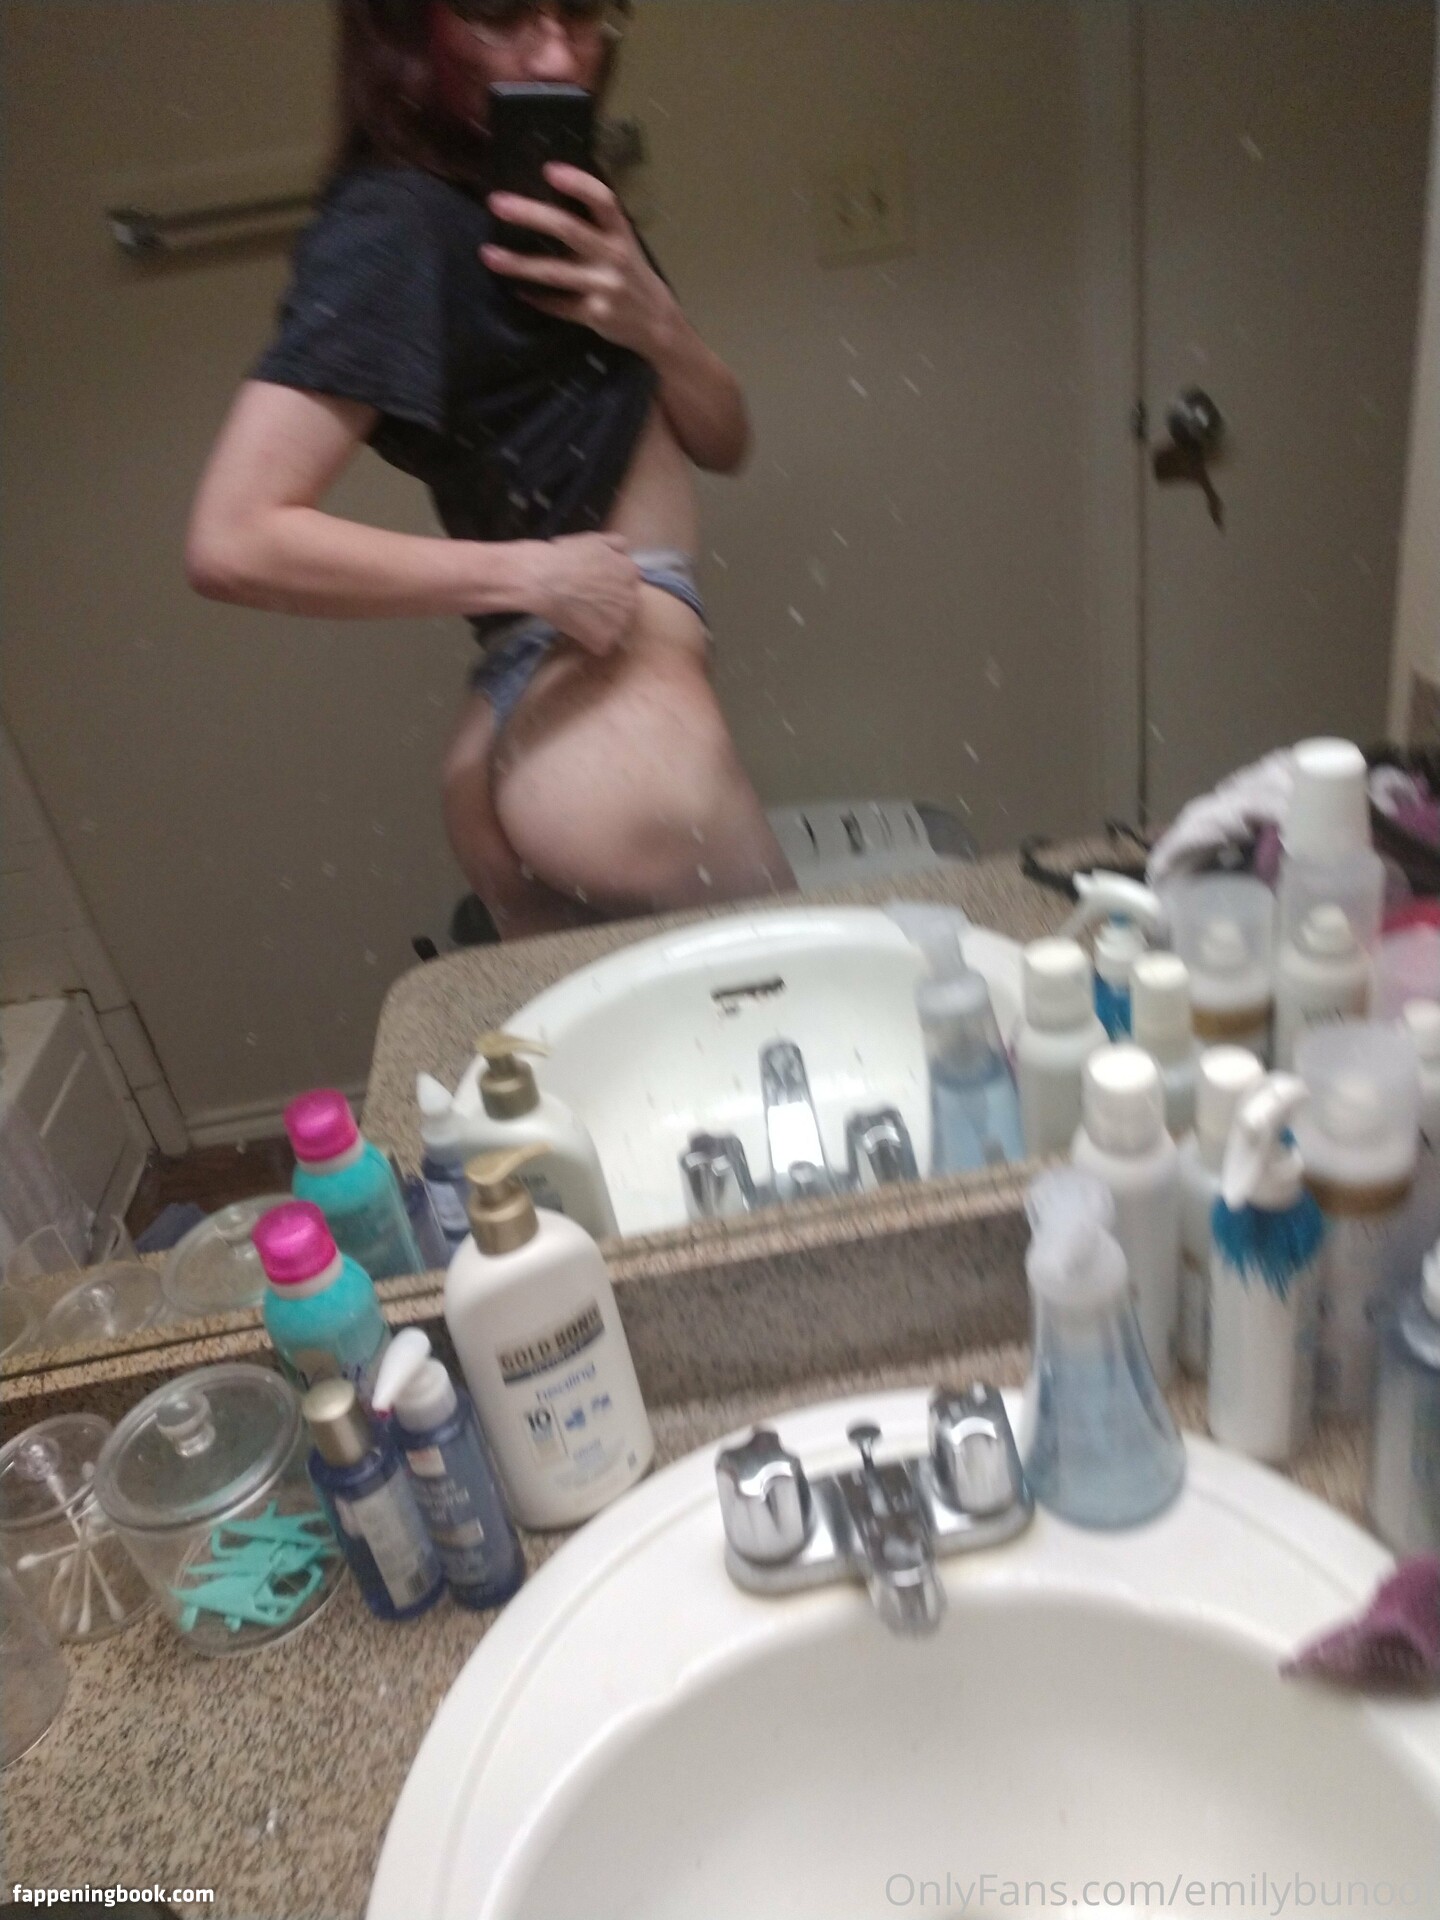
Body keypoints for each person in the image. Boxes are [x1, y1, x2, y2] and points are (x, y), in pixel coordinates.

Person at [187, 0, 793, 938]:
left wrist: (657, 325)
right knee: (812, 994)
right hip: (610, 728)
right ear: (404, 29)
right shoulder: (396, 220)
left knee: (611, 1036)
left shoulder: (545, 201)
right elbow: (233, 540)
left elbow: (725, 442)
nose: (556, 54)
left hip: (534, 709)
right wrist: (536, 575)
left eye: (580, 10)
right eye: (501, 14)